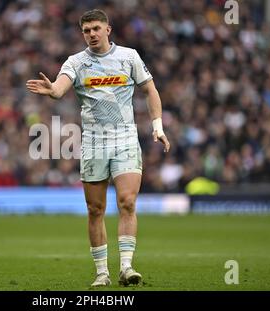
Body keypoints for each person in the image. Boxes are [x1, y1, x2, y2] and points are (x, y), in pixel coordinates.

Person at [26, 9, 170, 287]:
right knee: (95, 209)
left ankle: (126, 267)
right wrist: (52, 90)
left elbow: (150, 89)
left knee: (127, 202)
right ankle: (102, 273)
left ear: (108, 30)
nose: (91, 34)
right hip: (93, 143)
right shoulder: (76, 62)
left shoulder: (129, 57)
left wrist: (158, 126)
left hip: (125, 139)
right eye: (86, 30)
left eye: (96, 28)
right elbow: (59, 89)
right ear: (83, 34)